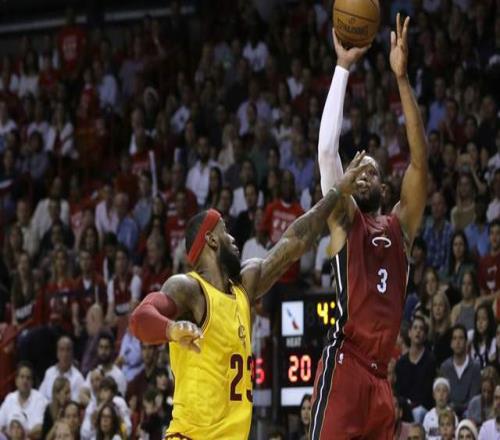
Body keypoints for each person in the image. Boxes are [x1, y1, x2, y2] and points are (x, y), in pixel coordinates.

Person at [129, 154, 370, 438]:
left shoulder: (245, 285)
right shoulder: (189, 288)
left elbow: (295, 241)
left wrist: (337, 191)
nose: (234, 239)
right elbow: (140, 318)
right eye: (225, 231)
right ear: (211, 239)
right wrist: (171, 328)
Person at [310, 16, 429, 439]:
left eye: (371, 170)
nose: (362, 174)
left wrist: (401, 79)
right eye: (356, 169)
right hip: (346, 365)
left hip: (380, 380)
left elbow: (420, 163)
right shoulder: (345, 220)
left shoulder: (401, 226)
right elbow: (327, 153)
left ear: (384, 187)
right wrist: (342, 68)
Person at [395, 317, 436, 422]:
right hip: (405, 407)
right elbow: (399, 391)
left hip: (424, 409)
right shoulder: (401, 363)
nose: (418, 331)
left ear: (425, 336)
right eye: (415, 328)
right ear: (409, 333)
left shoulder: (430, 360)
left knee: (417, 412)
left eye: (421, 329)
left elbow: (428, 393)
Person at [440, 324, 481, 417]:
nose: (457, 342)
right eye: (454, 338)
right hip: (449, 412)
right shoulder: (445, 367)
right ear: (451, 344)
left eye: (461, 338)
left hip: (469, 412)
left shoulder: (475, 367)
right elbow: (444, 396)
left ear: (466, 342)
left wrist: (457, 408)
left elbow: (473, 399)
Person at [0, 362, 48, 439]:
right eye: (22, 377)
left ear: (32, 382)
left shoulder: (40, 400)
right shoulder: (9, 398)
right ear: (16, 380)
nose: (25, 381)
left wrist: (21, 434)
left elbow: (41, 429)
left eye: (28, 378)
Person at [39, 336, 85, 402]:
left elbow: (76, 403)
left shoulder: (78, 378)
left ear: (72, 353)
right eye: (61, 350)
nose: (65, 354)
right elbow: (40, 397)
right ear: (57, 353)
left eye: (68, 350)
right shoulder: (49, 372)